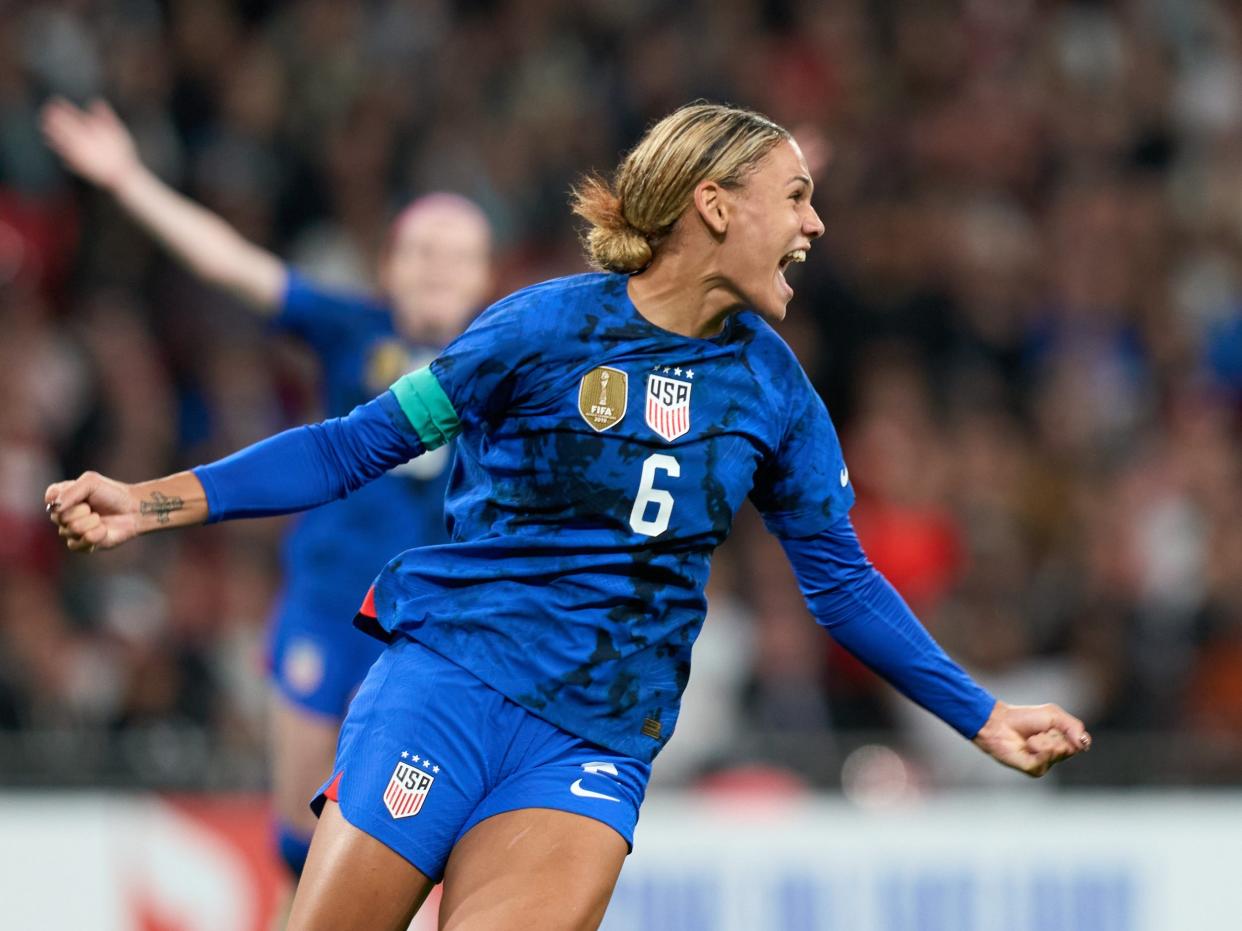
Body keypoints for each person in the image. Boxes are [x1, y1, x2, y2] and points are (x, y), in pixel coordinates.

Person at [46, 102, 1091, 931]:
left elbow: (843, 582)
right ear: (717, 205)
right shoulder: (540, 329)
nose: (816, 225)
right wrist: (148, 501)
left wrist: (981, 715)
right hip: (447, 683)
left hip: (591, 740)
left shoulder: (779, 396)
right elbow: (352, 443)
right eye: (797, 197)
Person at [40, 98, 494, 878]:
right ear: (386, 265)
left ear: (489, 276)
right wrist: (128, 180)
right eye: (419, 250)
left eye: (456, 256)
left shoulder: (510, 363)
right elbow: (231, 262)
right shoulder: (355, 328)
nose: (435, 267)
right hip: (327, 602)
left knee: (401, 846)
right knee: (301, 843)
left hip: (431, 625)